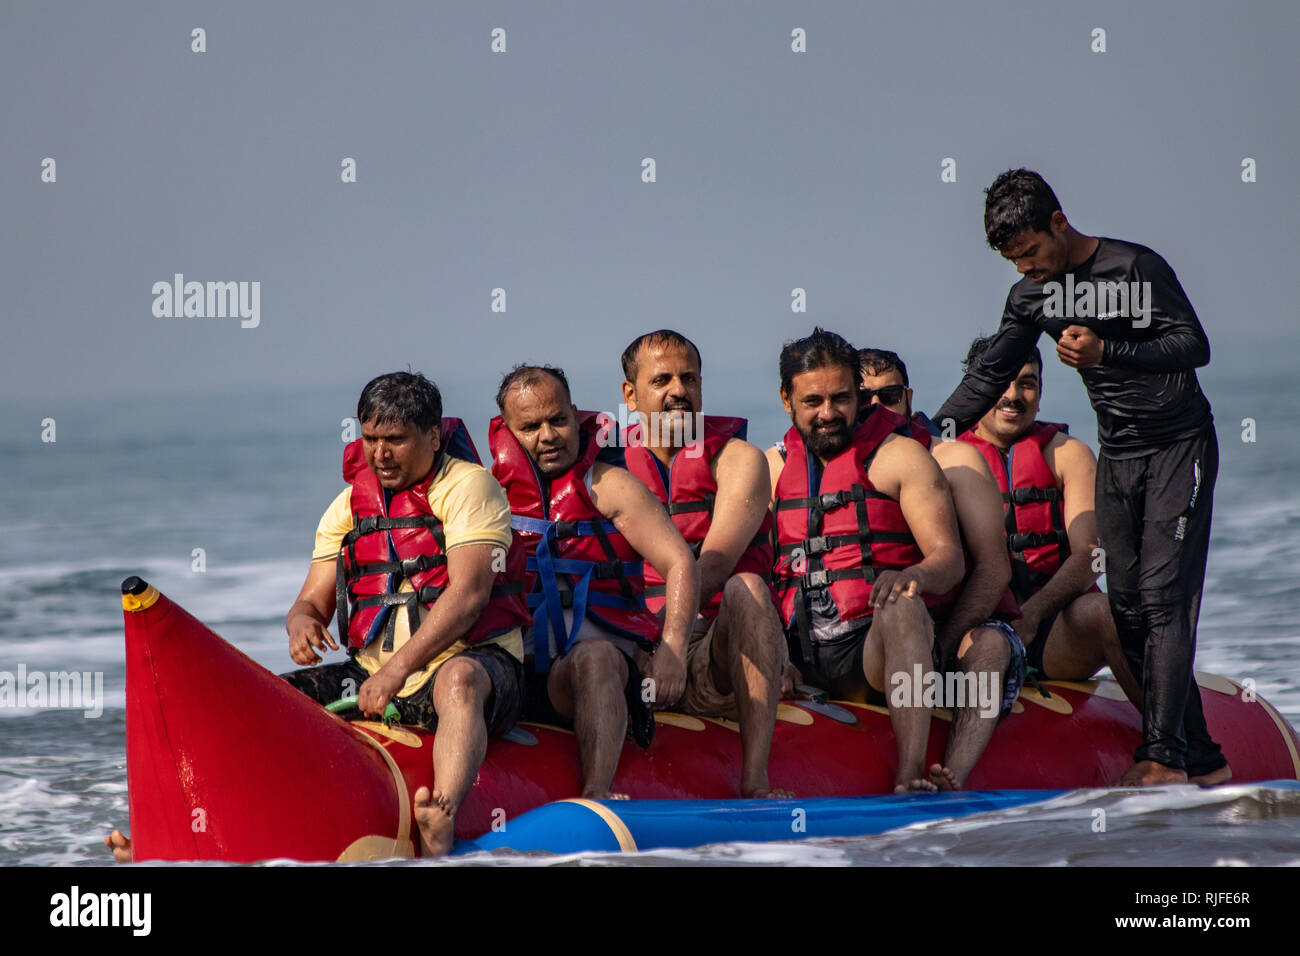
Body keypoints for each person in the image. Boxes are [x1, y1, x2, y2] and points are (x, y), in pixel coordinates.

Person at [934, 168, 1231, 787]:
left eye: (1031, 252)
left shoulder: (1134, 270)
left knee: (1162, 600)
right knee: (1126, 609)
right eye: (1012, 261)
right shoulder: (1031, 296)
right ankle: (1202, 756)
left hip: (1179, 444)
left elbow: (1193, 345)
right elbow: (992, 372)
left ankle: (1162, 759)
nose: (1025, 269)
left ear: (1059, 224)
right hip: (1120, 452)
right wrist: (931, 431)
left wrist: (1108, 354)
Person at [279, 371, 531, 857]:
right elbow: (311, 599)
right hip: (373, 676)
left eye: (395, 439)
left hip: (479, 665)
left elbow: (470, 594)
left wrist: (396, 672)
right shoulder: (349, 506)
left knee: (458, 680)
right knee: (277, 696)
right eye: (371, 438)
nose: (380, 453)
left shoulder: (469, 487)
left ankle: (443, 814)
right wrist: (302, 623)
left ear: (433, 436)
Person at [765, 328, 965, 792]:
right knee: (744, 593)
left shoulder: (902, 458)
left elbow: (949, 559)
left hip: (871, 651)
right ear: (786, 399)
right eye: (813, 400)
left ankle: (909, 773)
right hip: (797, 651)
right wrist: (772, 652)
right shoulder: (771, 468)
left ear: (859, 394)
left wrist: (913, 575)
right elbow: (752, 569)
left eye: (841, 398)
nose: (829, 413)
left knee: (903, 604)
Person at [490, 364, 700, 799]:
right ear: (508, 433)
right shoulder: (487, 496)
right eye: (530, 427)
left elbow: (680, 562)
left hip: (601, 667)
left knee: (596, 656)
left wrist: (674, 651)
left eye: (558, 420)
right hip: (521, 669)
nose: (548, 436)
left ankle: (598, 794)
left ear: (575, 413)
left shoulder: (609, 484)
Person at [620, 329, 792, 798]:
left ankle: (755, 780)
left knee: (749, 587)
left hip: (711, 648)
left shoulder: (739, 460)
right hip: (632, 646)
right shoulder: (609, 468)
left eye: (689, 378)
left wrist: (671, 645)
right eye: (662, 380)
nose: (679, 390)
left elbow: (713, 565)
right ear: (630, 395)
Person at [858, 347, 1022, 791]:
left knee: (989, 647)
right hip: (873, 636)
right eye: (863, 398)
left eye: (888, 396)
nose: (877, 409)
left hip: (954, 628)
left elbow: (993, 570)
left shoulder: (957, 462)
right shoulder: (832, 464)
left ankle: (953, 779)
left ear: (908, 398)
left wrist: (944, 648)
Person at [952, 336, 1137, 702]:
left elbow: (1090, 555)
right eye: (1001, 381)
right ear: (975, 388)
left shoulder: (1070, 455)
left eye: (1027, 383)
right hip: (974, 631)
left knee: (1109, 611)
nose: (1014, 395)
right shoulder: (948, 460)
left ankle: (1166, 743)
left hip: (1054, 628)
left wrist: (1033, 614)